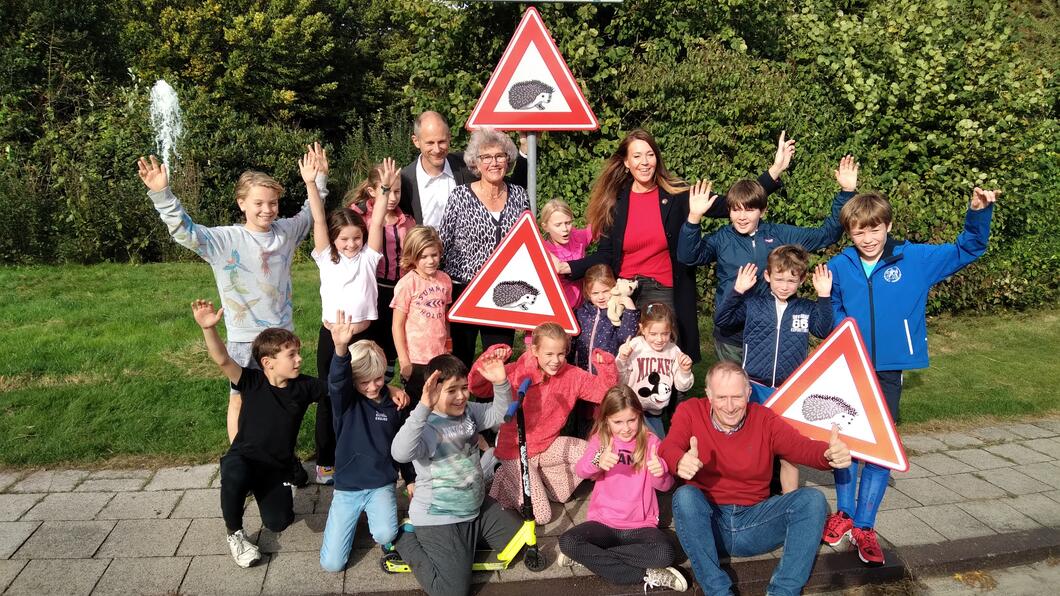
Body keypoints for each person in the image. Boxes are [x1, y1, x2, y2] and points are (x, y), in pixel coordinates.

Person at [822, 187, 998, 566]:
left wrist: (978, 214)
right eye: (858, 232)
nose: (867, 239)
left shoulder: (914, 258)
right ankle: (845, 514)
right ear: (850, 232)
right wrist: (844, 331)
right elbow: (833, 308)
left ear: (888, 225)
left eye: (874, 230)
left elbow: (968, 248)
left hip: (887, 369)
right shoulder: (840, 265)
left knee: (880, 446)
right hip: (850, 366)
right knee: (846, 443)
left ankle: (865, 525)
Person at [138, 150, 326, 443]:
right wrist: (162, 195)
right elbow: (185, 232)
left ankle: (277, 458)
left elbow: (311, 213)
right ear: (241, 204)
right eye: (259, 203)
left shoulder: (285, 233)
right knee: (240, 399)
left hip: (281, 336)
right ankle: (242, 459)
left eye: (273, 203)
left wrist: (318, 180)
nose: (268, 209)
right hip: (243, 339)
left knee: (283, 399)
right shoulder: (224, 240)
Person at [555, 130, 794, 361]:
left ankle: (673, 403)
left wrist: (773, 173)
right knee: (626, 357)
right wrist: (568, 267)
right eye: (637, 156)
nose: (644, 162)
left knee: (662, 358)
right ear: (626, 162)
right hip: (624, 289)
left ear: (657, 158)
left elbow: (731, 205)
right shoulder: (615, 202)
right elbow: (605, 254)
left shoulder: (677, 194)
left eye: (650, 154)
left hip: (664, 289)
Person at [660, 361, 852, 596]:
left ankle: (783, 591)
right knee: (685, 496)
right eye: (721, 398)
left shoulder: (764, 419)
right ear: (708, 394)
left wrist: (827, 454)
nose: (729, 407)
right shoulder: (690, 411)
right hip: (709, 526)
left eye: (737, 397)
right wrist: (679, 461)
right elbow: (668, 447)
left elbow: (800, 447)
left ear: (748, 393)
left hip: (755, 523)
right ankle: (719, 592)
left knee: (813, 500)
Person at [678, 155, 857, 363]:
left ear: (762, 211)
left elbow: (826, 235)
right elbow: (688, 257)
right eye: (736, 210)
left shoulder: (779, 234)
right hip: (731, 337)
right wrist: (694, 218)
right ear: (729, 211)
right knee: (732, 393)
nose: (742, 217)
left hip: (769, 333)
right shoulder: (722, 238)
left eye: (750, 209)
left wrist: (846, 193)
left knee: (766, 392)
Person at [190, 299, 325, 569]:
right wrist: (208, 329)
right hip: (246, 457)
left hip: (276, 466)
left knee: (279, 522)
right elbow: (222, 359)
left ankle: (289, 471)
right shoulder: (251, 380)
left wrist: (385, 389)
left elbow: (341, 389)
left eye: (298, 352)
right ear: (268, 362)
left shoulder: (305, 386)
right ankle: (235, 534)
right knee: (234, 471)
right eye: (291, 354)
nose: (299, 359)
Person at [390, 352, 521, 596]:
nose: (461, 396)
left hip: (475, 507)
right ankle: (405, 539)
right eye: (452, 390)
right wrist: (423, 408)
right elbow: (399, 453)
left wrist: (501, 384)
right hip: (440, 518)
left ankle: (463, 545)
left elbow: (500, 416)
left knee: (516, 543)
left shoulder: (468, 411)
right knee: (452, 592)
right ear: (433, 392)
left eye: (464, 388)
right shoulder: (425, 424)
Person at [469, 323, 619, 524]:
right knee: (541, 516)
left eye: (561, 354)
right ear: (535, 350)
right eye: (549, 354)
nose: (556, 361)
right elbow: (478, 388)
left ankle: (531, 479)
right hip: (515, 451)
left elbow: (604, 392)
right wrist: (488, 360)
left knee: (594, 455)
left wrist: (606, 367)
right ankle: (504, 477)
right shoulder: (517, 372)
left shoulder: (572, 375)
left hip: (547, 446)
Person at [714, 245, 834, 493]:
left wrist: (824, 296)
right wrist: (737, 290)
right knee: (753, 445)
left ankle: (790, 501)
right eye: (779, 278)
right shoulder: (753, 304)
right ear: (767, 276)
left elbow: (823, 330)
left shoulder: (805, 308)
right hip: (755, 387)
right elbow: (723, 320)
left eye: (791, 280)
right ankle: (750, 494)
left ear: (801, 280)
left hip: (788, 390)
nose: (784, 285)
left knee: (789, 452)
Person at [306, 154, 392, 485]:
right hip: (333, 340)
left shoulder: (369, 258)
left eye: (356, 237)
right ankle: (326, 460)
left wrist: (384, 188)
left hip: (366, 340)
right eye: (345, 239)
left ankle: (368, 451)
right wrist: (312, 184)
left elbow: (378, 220)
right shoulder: (326, 259)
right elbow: (317, 220)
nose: (352, 244)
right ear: (334, 240)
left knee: (370, 392)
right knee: (331, 396)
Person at [557, 386, 686, 592]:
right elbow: (582, 471)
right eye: (618, 422)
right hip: (604, 524)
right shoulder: (601, 440)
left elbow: (666, 486)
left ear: (639, 416)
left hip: (641, 526)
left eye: (631, 420)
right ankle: (646, 574)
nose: (626, 428)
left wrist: (660, 472)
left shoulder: (651, 442)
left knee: (665, 554)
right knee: (568, 542)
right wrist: (597, 461)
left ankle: (592, 557)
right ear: (606, 419)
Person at [319, 315, 414, 573]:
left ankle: (382, 519)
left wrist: (410, 477)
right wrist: (340, 350)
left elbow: (402, 446)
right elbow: (337, 382)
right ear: (353, 380)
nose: (373, 386)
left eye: (379, 378)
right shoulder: (346, 403)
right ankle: (346, 519)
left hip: (380, 484)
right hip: (348, 488)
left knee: (385, 535)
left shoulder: (394, 405)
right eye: (364, 381)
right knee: (332, 564)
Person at [438, 127, 531, 368]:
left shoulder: (520, 195)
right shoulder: (459, 196)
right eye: (486, 157)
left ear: (508, 160)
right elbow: (443, 243)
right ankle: (458, 405)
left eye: (499, 156)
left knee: (499, 359)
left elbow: (526, 244)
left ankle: (491, 405)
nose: (494, 162)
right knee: (460, 360)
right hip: (463, 291)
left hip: (502, 294)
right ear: (475, 163)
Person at [346, 158, 417, 383]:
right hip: (369, 288)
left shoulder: (407, 220)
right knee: (368, 342)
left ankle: (386, 388)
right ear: (371, 191)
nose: (393, 197)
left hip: (398, 291)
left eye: (398, 191)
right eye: (388, 191)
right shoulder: (357, 216)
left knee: (391, 342)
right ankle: (365, 386)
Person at [398, 111, 528, 228]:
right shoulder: (405, 181)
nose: (437, 149)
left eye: (442, 141)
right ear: (416, 141)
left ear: (449, 137)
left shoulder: (467, 164)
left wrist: (526, 150)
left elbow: (511, 190)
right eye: (430, 143)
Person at [569, 264, 640, 436]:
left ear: (614, 288)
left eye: (605, 291)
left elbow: (625, 337)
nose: (601, 297)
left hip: (606, 378)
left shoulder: (617, 313)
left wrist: (630, 309)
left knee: (601, 417)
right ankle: (580, 449)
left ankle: (602, 449)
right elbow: (571, 339)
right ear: (587, 293)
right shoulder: (580, 313)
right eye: (595, 293)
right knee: (581, 417)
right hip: (582, 375)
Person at [391, 225, 453, 403]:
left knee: (440, 402)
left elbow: (445, 318)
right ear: (412, 256)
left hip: (439, 355)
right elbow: (397, 325)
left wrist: (448, 348)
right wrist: (404, 361)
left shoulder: (445, 280)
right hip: (416, 359)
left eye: (434, 255)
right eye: (423, 257)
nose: (430, 261)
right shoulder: (407, 284)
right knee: (417, 405)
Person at [615, 303, 694, 438]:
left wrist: (685, 371)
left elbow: (682, 386)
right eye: (653, 334)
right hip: (630, 412)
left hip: (654, 414)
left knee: (657, 449)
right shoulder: (634, 346)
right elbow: (620, 380)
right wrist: (622, 359)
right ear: (642, 328)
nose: (659, 339)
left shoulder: (673, 351)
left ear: (671, 330)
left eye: (665, 334)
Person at [539, 199, 593, 308]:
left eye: (568, 223)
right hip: (559, 309)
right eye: (558, 225)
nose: (565, 229)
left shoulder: (577, 237)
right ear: (545, 227)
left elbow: (599, 225)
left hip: (583, 309)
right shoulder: (542, 248)